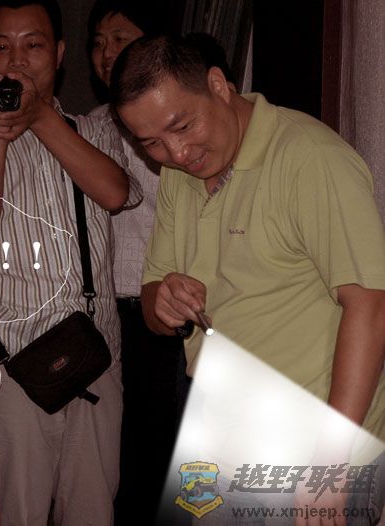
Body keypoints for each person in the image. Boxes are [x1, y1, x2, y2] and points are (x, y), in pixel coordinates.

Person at [110, 35, 385, 441]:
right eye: (152, 143)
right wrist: (164, 301)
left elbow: (371, 306)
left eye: (182, 126)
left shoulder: (310, 158)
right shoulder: (177, 175)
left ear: (218, 85)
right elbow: (153, 300)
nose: (178, 153)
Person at [0, 1, 136, 523]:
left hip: (95, 355)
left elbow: (115, 193)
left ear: (60, 53)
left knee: (93, 512)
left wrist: (40, 115)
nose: (17, 60)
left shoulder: (94, 130)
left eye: (34, 45)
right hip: (10, 369)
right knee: (17, 514)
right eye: (2, 46)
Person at [86, 2, 185, 523]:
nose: (107, 53)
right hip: (105, 313)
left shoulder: (180, 125)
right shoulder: (86, 126)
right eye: (98, 43)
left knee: (163, 448)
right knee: (115, 455)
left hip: (164, 310)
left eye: (120, 38)